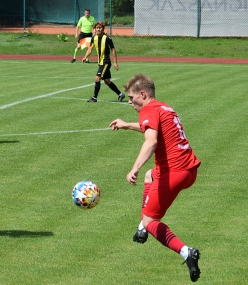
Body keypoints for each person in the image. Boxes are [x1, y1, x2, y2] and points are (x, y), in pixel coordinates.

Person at [109, 74, 201, 282]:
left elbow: (150, 141)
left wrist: (134, 168)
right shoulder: (163, 107)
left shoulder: (147, 110)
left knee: (152, 221)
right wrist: (125, 125)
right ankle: (141, 229)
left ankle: (187, 252)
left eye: (132, 98)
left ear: (143, 94)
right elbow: (151, 128)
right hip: (189, 169)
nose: (129, 101)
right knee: (151, 175)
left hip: (174, 173)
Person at [82, 21, 125, 103]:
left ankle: (94, 98)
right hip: (100, 62)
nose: (98, 29)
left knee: (97, 78)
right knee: (107, 81)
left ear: (103, 29)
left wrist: (115, 62)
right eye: (97, 28)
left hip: (106, 62)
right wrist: (85, 57)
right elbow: (90, 48)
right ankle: (120, 94)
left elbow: (113, 49)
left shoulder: (107, 38)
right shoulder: (94, 38)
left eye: (100, 28)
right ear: (95, 29)